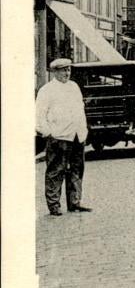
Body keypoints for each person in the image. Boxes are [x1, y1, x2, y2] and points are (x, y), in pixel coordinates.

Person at [36, 58, 91, 216]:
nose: (67, 73)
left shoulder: (74, 87)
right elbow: (39, 115)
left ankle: (75, 202)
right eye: (63, 70)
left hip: (76, 136)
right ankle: (54, 206)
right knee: (56, 170)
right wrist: (48, 133)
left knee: (76, 170)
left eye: (68, 70)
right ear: (55, 72)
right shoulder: (47, 90)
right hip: (58, 136)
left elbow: (80, 110)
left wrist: (83, 131)